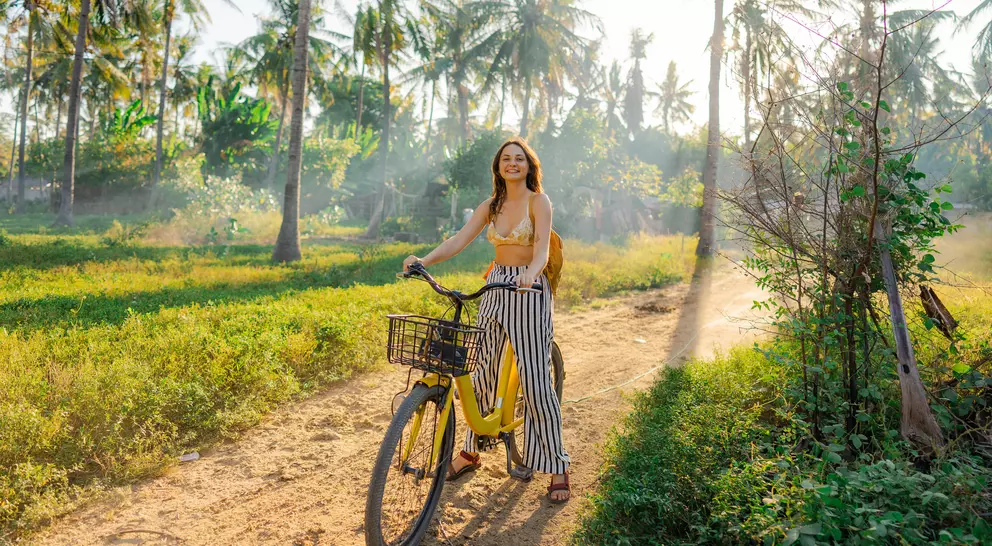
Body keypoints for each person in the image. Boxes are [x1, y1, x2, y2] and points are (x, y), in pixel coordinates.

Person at [402, 137, 571, 503]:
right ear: (498, 167)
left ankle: (558, 465)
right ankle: (470, 450)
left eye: (519, 159)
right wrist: (424, 261)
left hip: (529, 290)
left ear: (529, 166)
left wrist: (529, 273)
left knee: (536, 381)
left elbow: (541, 247)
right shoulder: (491, 205)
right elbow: (458, 240)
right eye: (506, 159)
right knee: (482, 373)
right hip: (495, 288)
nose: (512, 163)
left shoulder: (539, 201)